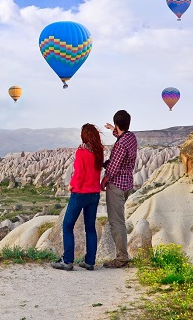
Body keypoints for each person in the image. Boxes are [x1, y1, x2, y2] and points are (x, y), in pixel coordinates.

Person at [51, 123, 105, 271]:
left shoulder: (81, 152)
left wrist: (71, 185)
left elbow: (79, 173)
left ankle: (67, 261)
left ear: (83, 136)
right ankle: (89, 261)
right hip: (94, 194)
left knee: (67, 225)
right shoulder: (98, 151)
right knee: (90, 228)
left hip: (80, 193)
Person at [101, 110, 137, 268]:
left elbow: (113, 167)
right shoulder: (131, 138)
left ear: (117, 124)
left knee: (117, 222)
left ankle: (122, 258)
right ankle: (122, 255)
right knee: (119, 220)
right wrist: (112, 129)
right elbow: (122, 136)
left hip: (116, 186)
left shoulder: (120, 145)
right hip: (127, 184)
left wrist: (104, 179)